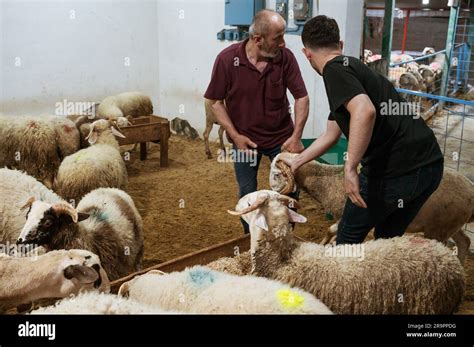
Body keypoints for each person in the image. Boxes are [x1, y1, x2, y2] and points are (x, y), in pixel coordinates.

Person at [283, 15, 444, 244]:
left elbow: (364, 111)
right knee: (386, 238)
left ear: (306, 53)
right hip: (430, 165)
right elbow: (331, 134)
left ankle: (342, 279)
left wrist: (350, 168)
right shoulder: (354, 69)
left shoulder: (334, 70)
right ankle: (383, 277)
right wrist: (297, 162)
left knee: (347, 238)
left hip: (397, 169)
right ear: (340, 45)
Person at [205, 9, 309, 233]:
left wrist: (296, 136)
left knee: (288, 190)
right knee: (247, 192)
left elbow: (301, 97)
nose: (283, 43)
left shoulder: (285, 59)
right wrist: (235, 136)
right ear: (257, 39)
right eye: (278, 37)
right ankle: (250, 240)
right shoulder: (227, 60)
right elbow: (215, 101)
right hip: (245, 139)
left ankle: (285, 238)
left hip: (281, 138)